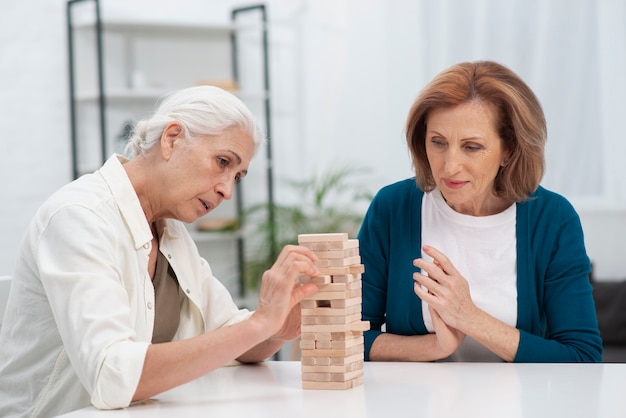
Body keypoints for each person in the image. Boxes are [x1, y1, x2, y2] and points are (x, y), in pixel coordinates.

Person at [0, 85, 320, 417]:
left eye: (237, 177)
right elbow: (112, 375)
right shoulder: (79, 217)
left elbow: (229, 334)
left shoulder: (170, 231)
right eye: (222, 161)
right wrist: (258, 324)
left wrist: (276, 327)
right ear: (171, 139)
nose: (227, 191)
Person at [358, 60, 603, 363]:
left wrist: (470, 317)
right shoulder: (392, 208)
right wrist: (433, 347)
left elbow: (582, 356)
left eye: (471, 147)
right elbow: (347, 337)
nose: (449, 166)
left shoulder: (552, 219)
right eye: (438, 142)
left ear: (509, 149)